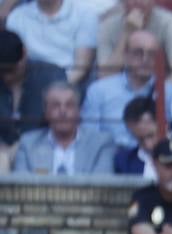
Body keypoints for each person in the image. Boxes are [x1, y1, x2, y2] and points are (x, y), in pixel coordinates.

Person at [81, 28, 172, 148]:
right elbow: (89, 136)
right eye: (138, 53)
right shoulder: (99, 90)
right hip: (112, 158)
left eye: (152, 54)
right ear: (126, 55)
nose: (145, 59)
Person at [12, 80, 115, 174]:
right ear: (46, 112)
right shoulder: (28, 143)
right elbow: (22, 188)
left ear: (79, 111)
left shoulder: (101, 144)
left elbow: (101, 188)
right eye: (56, 105)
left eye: (69, 105)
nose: (63, 112)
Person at [0, 29, 66, 171]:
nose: (7, 77)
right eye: (1, 71)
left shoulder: (52, 76)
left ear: (24, 53)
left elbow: (60, 121)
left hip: (42, 149)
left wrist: (23, 146)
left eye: (11, 70)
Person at [4, 0, 97, 86]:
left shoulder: (85, 14)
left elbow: (81, 67)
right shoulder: (17, 16)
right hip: (29, 83)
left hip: (69, 85)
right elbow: (16, 65)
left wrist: (55, 90)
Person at [96, 0, 172, 85]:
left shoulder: (167, 22)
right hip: (119, 90)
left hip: (157, 90)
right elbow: (104, 77)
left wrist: (150, 94)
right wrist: (127, 33)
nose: (138, 2)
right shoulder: (108, 26)